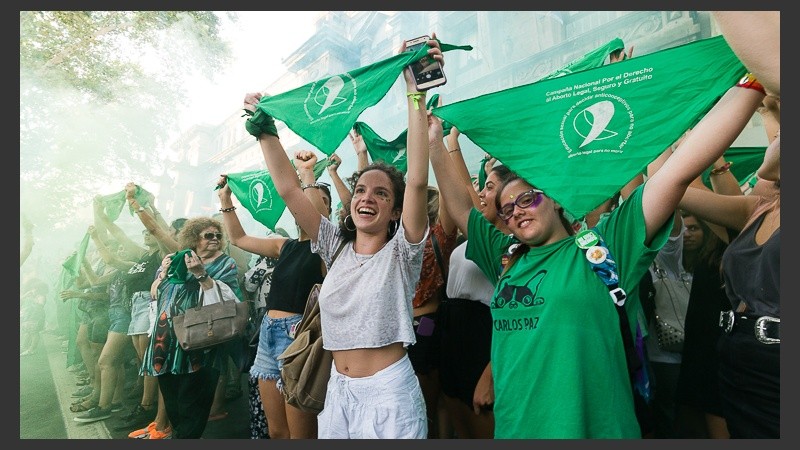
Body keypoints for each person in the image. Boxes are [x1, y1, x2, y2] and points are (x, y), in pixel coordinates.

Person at [426, 70, 766, 437]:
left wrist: (755, 79)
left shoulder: (603, 248)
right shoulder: (507, 257)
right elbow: (462, 209)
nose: (516, 211)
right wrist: (434, 139)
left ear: (554, 199)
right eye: (507, 209)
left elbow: (676, 175)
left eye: (527, 198)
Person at [242, 33, 444, 439]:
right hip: (337, 390)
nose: (367, 197)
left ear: (395, 210)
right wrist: (266, 133)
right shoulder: (335, 247)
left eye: (382, 193)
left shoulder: (403, 252)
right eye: (362, 190)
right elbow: (287, 190)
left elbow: (418, 180)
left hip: (389, 395)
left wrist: (414, 91)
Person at [349, 123, 458, 438]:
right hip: (416, 328)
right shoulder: (411, 240)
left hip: (414, 329)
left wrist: (362, 155)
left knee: (417, 401)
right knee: (429, 401)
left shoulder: (408, 242)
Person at [216, 157, 332, 439]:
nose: (302, 202)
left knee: (300, 434)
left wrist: (306, 176)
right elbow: (239, 239)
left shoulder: (328, 249)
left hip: (299, 337)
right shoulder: (286, 246)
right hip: (269, 335)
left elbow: (315, 223)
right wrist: (226, 199)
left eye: (313, 196)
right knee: (276, 430)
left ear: (327, 207)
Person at [435, 128, 512, 439]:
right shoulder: (477, 235)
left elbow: (512, 315)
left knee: (484, 421)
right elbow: (462, 193)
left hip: (482, 335)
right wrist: (441, 141)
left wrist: (491, 372)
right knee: (458, 422)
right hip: (451, 330)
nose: (481, 192)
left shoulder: (510, 247)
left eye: (490, 187)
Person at [140, 216, 243, 439]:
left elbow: (228, 302)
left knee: (192, 407)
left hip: (200, 344)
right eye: (208, 235)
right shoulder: (177, 260)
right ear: (194, 239)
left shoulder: (226, 264)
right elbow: (156, 292)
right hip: (166, 342)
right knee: (174, 403)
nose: (214, 239)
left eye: (218, 236)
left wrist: (201, 275)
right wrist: (162, 275)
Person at [673, 211, 731, 438]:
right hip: (705, 351)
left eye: (694, 228)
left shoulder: (731, 250)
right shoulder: (708, 259)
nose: (688, 234)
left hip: (717, 351)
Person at [20, 268, 48, 356]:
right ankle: (24, 346)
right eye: (32, 288)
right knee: (27, 331)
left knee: (34, 333)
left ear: (41, 289)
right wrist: (26, 295)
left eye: (35, 288)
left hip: (36, 317)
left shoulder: (41, 296)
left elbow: (40, 305)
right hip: (29, 317)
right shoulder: (32, 295)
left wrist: (33, 299)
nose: (33, 290)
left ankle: (32, 349)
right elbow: (21, 300)